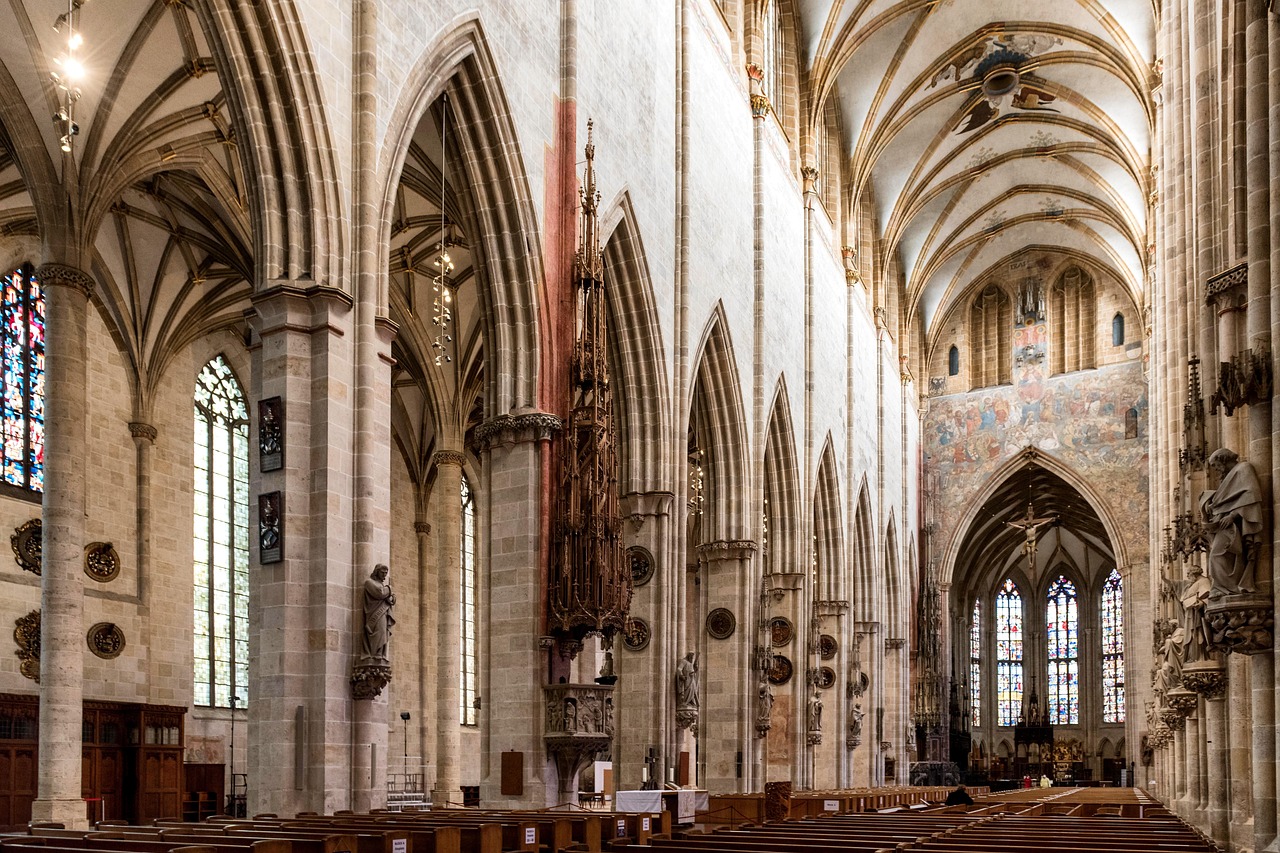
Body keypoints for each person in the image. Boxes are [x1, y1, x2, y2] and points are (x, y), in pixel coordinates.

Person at [1200, 448, 1263, 596]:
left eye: (1216, 465)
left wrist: (1233, 515)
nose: (1215, 470)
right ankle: (1225, 588)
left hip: (1234, 524)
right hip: (1225, 525)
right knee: (1219, 555)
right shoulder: (1231, 475)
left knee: (1217, 555)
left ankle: (1229, 589)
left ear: (1223, 460)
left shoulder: (1243, 469)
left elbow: (1251, 494)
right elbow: (1229, 499)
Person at [361, 564, 396, 661]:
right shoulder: (370, 583)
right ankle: (373, 654)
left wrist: (392, 598)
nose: (384, 575)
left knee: (382, 634)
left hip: (383, 614)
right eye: (382, 572)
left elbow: (390, 598)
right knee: (378, 633)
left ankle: (380, 655)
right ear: (377, 571)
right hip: (374, 615)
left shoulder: (382, 586)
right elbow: (380, 593)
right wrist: (389, 588)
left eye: (386, 573)